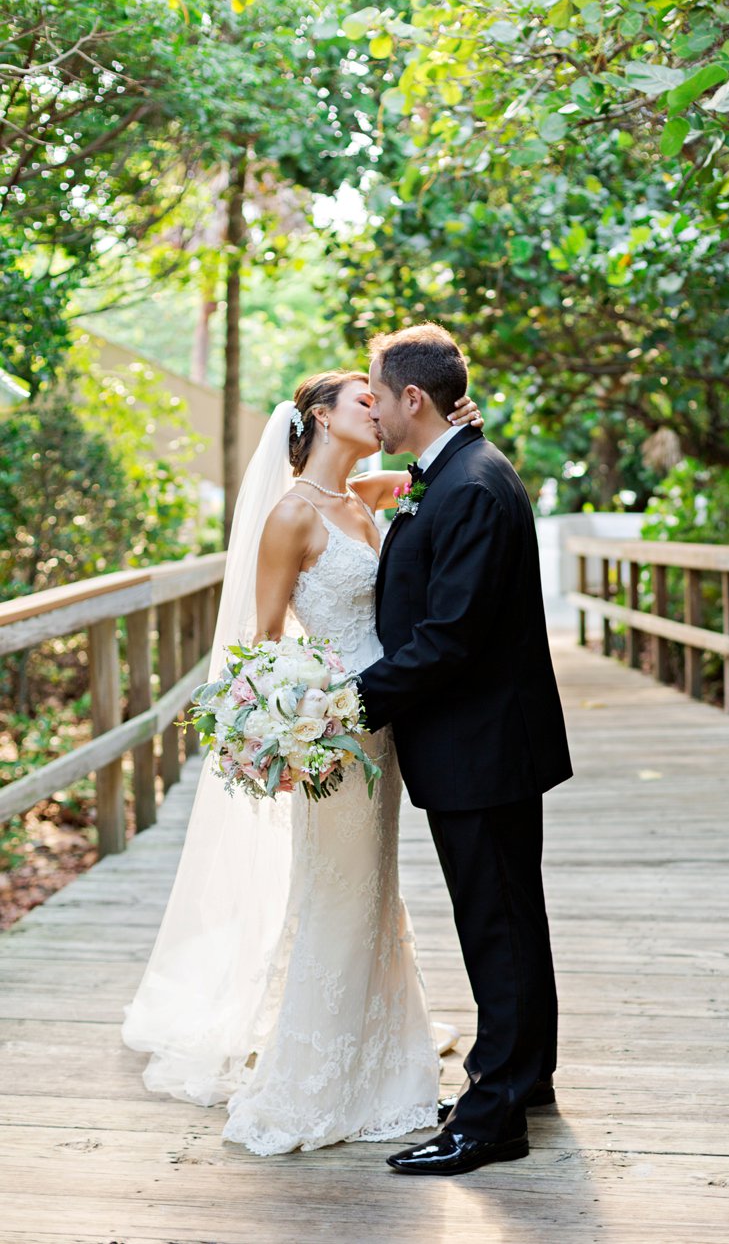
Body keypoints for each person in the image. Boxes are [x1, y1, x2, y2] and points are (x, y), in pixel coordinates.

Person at [122, 370, 481, 1156]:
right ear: (319, 416)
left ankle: (383, 1056)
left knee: (374, 890)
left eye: (383, 398)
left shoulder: (365, 498)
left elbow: (440, 463)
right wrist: (286, 723)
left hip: (379, 725)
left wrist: (459, 417)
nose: (378, 408)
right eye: (363, 400)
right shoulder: (291, 514)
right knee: (337, 893)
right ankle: (315, 1080)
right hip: (329, 732)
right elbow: (260, 640)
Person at [360, 324, 572, 1177]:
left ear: (415, 399)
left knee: (498, 925)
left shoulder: (472, 486)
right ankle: (518, 1080)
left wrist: (351, 703)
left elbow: (450, 637)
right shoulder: (449, 472)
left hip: (482, 744)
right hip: (476, 742)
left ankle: (494, 1122)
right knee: (508, 919)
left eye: (376, 393)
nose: (369, 407)